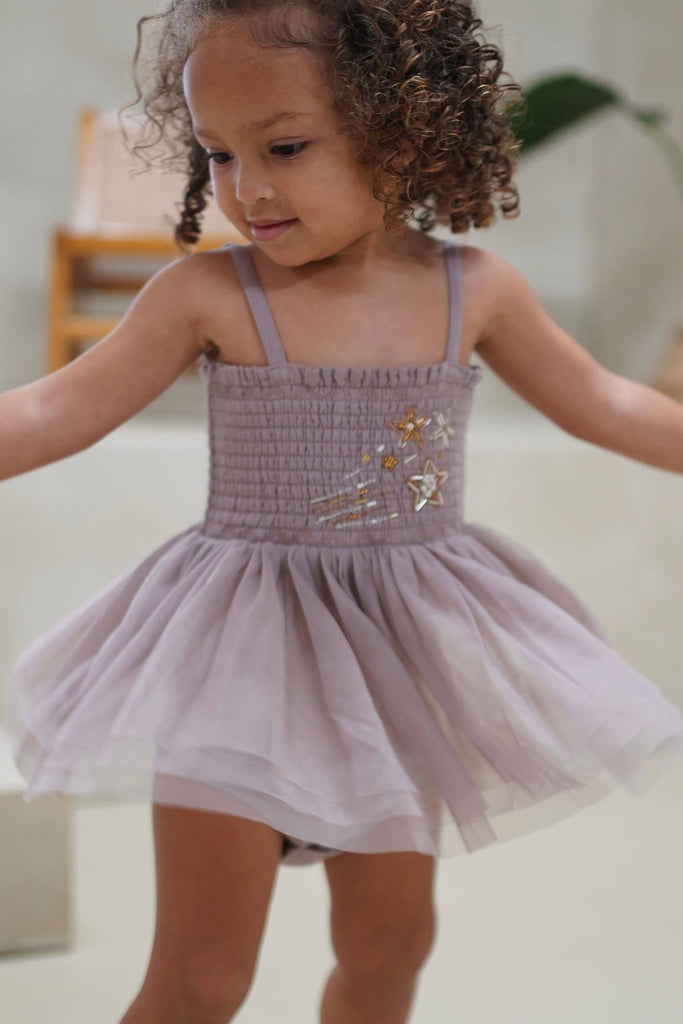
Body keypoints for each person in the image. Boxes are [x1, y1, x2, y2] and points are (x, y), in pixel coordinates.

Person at [3, 1, 683, 1022]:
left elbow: (607, 403)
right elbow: (52, 411)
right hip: (237, 655)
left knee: (389, 945)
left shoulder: (474, 289)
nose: (247, 188)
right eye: (219, 154)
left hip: (397, 657)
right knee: (201, 977)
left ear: (400, 132)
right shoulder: (208, 295)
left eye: (283, 147)